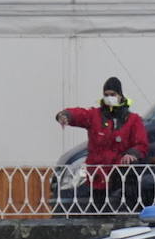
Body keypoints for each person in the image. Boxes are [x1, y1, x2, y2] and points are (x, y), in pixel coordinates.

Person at [56, 76, 149, 210]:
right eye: (106, 95)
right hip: (97, 177)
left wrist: (132, 154)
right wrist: (66, 115)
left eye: (113, 94)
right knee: (97, 211)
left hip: (120, 178)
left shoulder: (133, 120)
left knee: (119, 210)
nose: (109, 98)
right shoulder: (95, 115)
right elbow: (80, 114)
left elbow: (141, 143)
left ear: (120, 95)